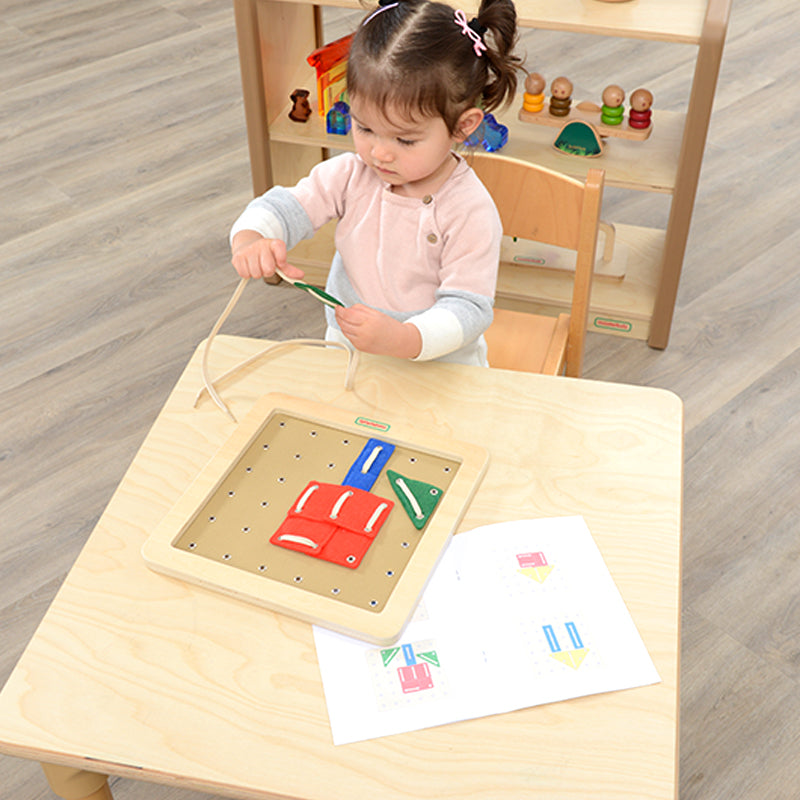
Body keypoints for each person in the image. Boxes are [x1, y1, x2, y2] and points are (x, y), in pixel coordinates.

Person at [230, 0, 522, 365]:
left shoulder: (469, 209)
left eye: (405, 140)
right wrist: (252, 238)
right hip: (351, 351)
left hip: (442, 364)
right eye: (365, 128)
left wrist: (404, 339)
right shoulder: (350, 175)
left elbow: (469, 309)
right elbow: (282, 208)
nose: (380, 154)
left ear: (463, 126)